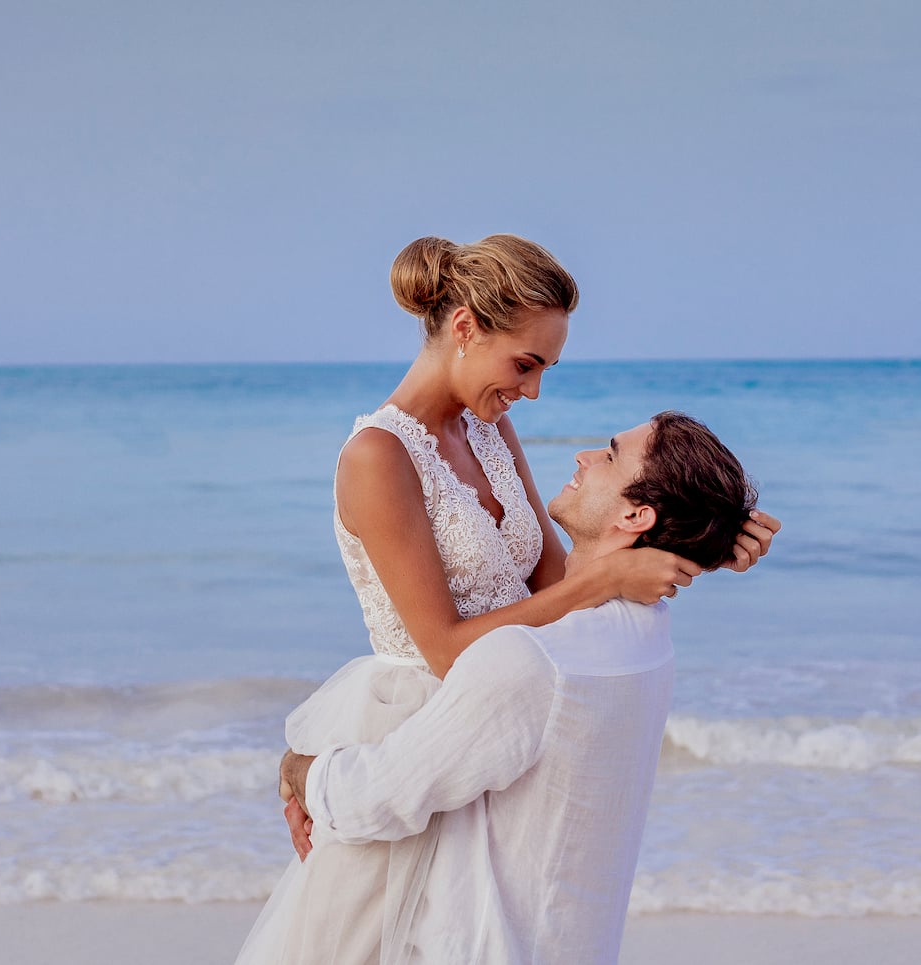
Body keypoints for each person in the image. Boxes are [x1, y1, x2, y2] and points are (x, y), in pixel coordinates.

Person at [233, 236, 776, 965]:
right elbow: (449, 649)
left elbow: (555, 589)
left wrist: (700, 539)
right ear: (464, 328)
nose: (534, 390)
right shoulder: (378, 458)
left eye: (545, 368)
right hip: (415, 726)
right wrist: (608, 579)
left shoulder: (489, 427)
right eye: (526, 364)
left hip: (491, 729)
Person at [279, 411, 759, 963]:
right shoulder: (649, 636)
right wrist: (715, 533)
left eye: (609, 454)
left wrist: (301, 768)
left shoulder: (530, 662)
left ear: (636, 515)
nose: (584, 456)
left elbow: (376, 800)